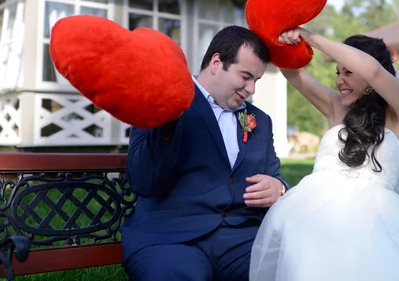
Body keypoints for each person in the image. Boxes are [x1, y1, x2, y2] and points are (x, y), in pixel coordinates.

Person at [249, 28, 399, 280]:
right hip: (312, 218)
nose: (339, 81)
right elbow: (293, 72)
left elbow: (374, 70)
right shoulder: (336, 108)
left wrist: (310, 37)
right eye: (338, 73)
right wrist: (282, 38)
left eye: (348, 72)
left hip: (374, 222)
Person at [122, 25, 289, 281]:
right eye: (245, 76)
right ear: (216, 62)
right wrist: (169, 118)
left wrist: (278, 187)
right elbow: (143, 180)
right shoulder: (161, 100)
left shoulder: (260, 121)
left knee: (294, 268)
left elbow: (274, 176)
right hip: (170, 238)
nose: (251, 89)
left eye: (256, 80)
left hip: (241, 242)